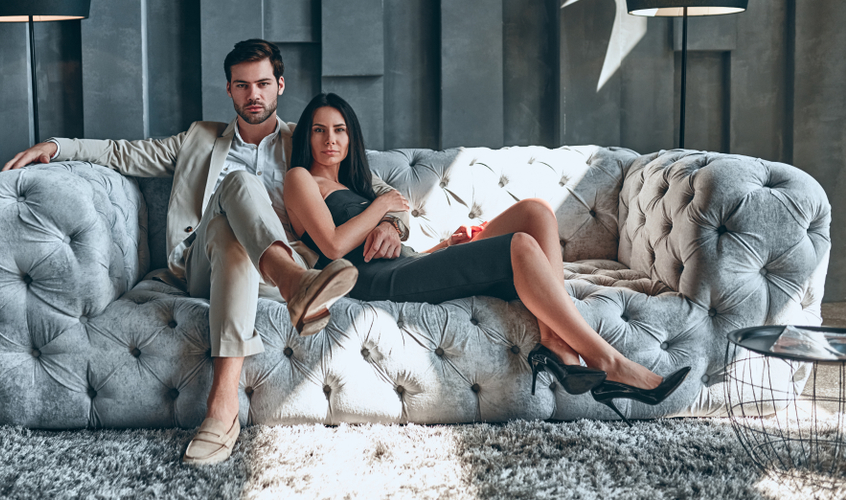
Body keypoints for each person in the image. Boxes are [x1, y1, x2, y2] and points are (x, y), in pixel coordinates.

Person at [1, 40, 410, 464]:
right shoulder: (199, 140)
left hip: (266, 272)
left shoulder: (306, 139)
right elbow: (120, 152)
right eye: (242, 85)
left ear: (280, 86)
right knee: (238, 188)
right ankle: (293, 283)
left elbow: (375, 189)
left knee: (236, 235)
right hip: (203, 265)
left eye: (263, 84)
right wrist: (56, 146)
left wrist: (391, 223)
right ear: (229, 90)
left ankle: (221, 410)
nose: (254, 94)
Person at [283, 92, 690, 421]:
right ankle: (609, 362)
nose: (329, 139)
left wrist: (441, 247)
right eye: (319, 130)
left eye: (339, 130)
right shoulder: (302, 179)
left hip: (408, 263)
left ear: (352, 136)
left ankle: (553, 343)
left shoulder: (356, 184)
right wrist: (381, 208)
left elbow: (394, 238)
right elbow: (335, 246)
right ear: (307, 137)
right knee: (519, 246)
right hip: (376, 283)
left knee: (535, 212)